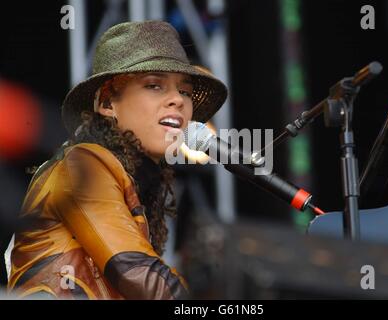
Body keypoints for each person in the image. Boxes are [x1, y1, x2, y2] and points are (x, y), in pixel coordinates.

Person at [6, 20, 227, 299]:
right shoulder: (83, 163)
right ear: (107, 103)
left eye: (184, 91)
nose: (178, 100)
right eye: (155, 85)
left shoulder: (133, 182)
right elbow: (134, 270)